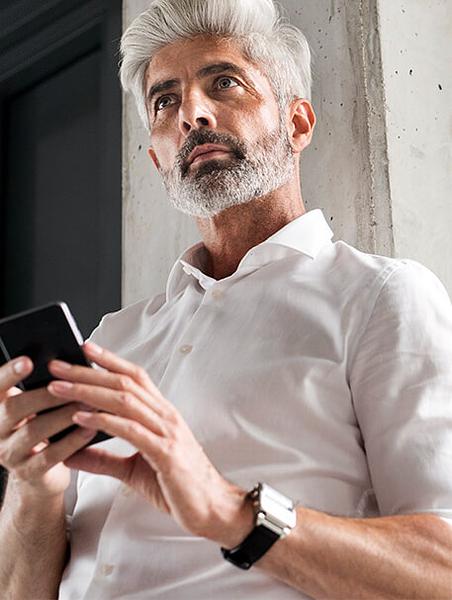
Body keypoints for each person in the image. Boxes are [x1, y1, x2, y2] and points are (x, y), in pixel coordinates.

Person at [1, 0, 451, 597]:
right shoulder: (111, 340)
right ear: (159, 159)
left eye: (225, 83)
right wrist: (38, 490)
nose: (192, 113)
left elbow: (441, 567)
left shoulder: (381, 297)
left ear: (297, 124)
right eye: (165, 101)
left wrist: (230, 511)